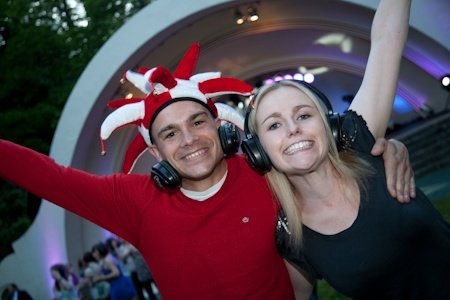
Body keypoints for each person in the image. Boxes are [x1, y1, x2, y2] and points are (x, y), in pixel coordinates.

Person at [0, 41, 414, 299]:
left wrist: (388, 149)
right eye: (170, 133)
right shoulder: (132, 200)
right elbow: (43, 174)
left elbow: (329, 151)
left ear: (220, 127)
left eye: (197, 123)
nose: (189, 140)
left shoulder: (265, 171)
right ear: (156, 151)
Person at [243, 0, 450, 299]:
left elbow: (386, 39)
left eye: (303, 115)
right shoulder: (290, 236)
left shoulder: (361, 142)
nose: (293, 129)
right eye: (274, 125)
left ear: (330, 126)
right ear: (259, 151)